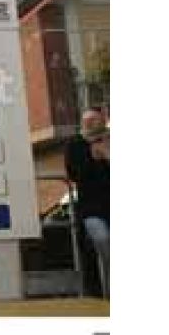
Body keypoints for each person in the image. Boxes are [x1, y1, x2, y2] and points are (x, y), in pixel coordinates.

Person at [64, 108, 109, 298]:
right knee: (102, 239)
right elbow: (75, 174)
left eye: (94, 120)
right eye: (86, 120)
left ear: (103, 120)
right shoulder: (75, 144)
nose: (90, 123)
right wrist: (93, 157)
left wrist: (108, 156)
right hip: (91, 208)